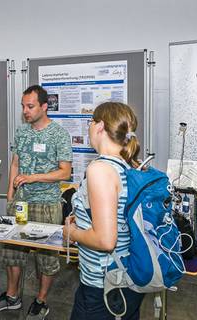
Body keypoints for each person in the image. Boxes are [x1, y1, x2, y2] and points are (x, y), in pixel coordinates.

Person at [0, 85, 72, 319]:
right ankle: (12, 296)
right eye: (23, 106)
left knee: (46, 258)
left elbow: (65, 172)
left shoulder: (59, 134)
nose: (25, 111)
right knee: (12, 253)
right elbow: (15, 163)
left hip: (47, 204)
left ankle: (41, 300)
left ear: (44, 107)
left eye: (30, 106)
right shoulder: (22, 132)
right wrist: (9, 196)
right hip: (20, 203)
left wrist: (34, 177)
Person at [62, 102, 145, 320]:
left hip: (103, 286)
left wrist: (71, 232)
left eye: (90, 122)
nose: (88, 128)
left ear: (99, 126)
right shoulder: (128, 166)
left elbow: (106, 241)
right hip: (126, 277)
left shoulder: (100, 169)